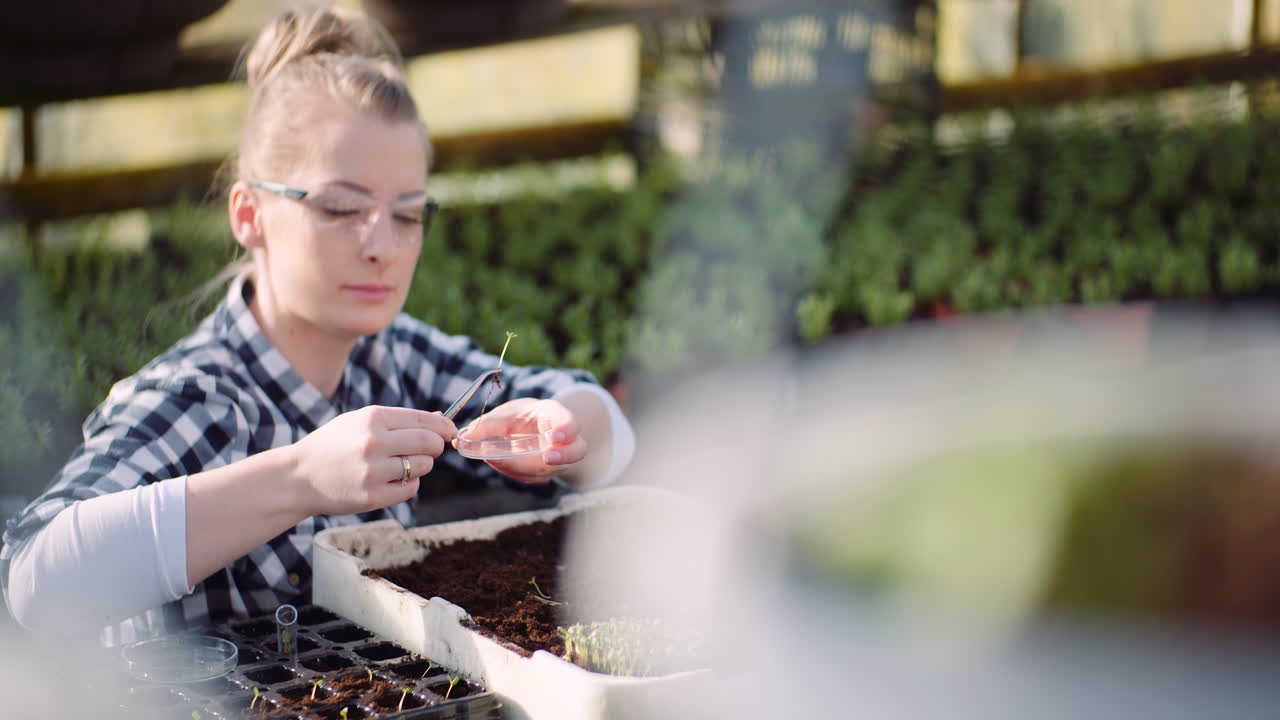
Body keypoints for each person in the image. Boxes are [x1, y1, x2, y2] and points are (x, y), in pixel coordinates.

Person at [0, 6, 634, 646]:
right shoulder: (203, 399)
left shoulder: (392, 359)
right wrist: (300, 479)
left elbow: (606, 430)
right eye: (341, 208)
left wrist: (562, 431)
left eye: (407, 215)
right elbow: (33, 581)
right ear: (249, 215)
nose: (382, 247)